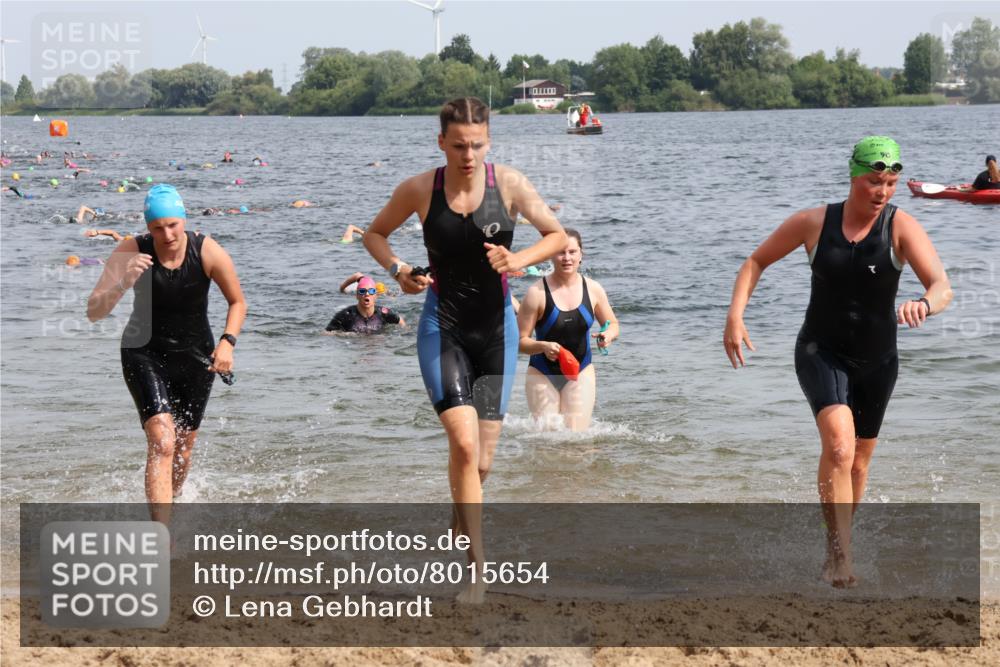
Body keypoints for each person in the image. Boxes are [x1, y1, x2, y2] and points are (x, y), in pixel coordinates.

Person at [723, 136, 952, 588]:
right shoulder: (814, 222)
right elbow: (756, 261)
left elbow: (942, 284)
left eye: (889, 182)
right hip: (820, 351)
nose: (881, 191)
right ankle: (841, 557)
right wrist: (735, 315)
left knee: (859, 463)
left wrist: (925, 304)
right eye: (873, 181)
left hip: (878, 360)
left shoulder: (901, 226)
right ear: (853, 176)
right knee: (840, 447)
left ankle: (837, 547)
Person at [363, 97, 566, 603]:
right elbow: (374, 234)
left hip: (495, 330)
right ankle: (476, 571)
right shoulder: (420, 189)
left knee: (484, 462)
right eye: (458, 145)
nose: (468, 154)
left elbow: (557, 235)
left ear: (488, 141)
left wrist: (517, 259)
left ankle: (461, 512)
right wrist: (398, 271)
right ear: (442, 143)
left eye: (476, 145)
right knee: (463, 444)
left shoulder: (509, 185)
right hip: (443, 325)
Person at [86, 184, 247, 523]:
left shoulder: (207, 250)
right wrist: (123, 281)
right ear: (148, 227)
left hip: (196, 357)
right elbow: (94, 311)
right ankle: (160, 534)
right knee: (162, 440)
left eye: (172, 224)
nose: (167, 234)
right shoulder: (131, 249)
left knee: (182, 448)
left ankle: (169, 504)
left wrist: (227, 342)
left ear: (183, 219)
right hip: (143, 352)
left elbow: (238, 301)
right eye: (157, 227)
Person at [517, 228, 619, 431]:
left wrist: (607, 335)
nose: (566, 258)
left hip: (581, 370)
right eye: (560, 252)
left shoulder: (593, 289)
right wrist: (542, 346)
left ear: (581, 254)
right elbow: (520, 342)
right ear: (550, 255)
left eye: (572, 252)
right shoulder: (536, 293)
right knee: (549, 437)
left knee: (576, 438)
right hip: (542, 372)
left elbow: (613, 324)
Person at [324, 274, 405, 333]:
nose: (367, 294)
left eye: (371, 291)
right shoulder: (346, 315)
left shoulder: (383, 313)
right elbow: (327, 333)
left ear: (376, 296)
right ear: (357, 295)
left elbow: (401, 322)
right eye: (362, 291)